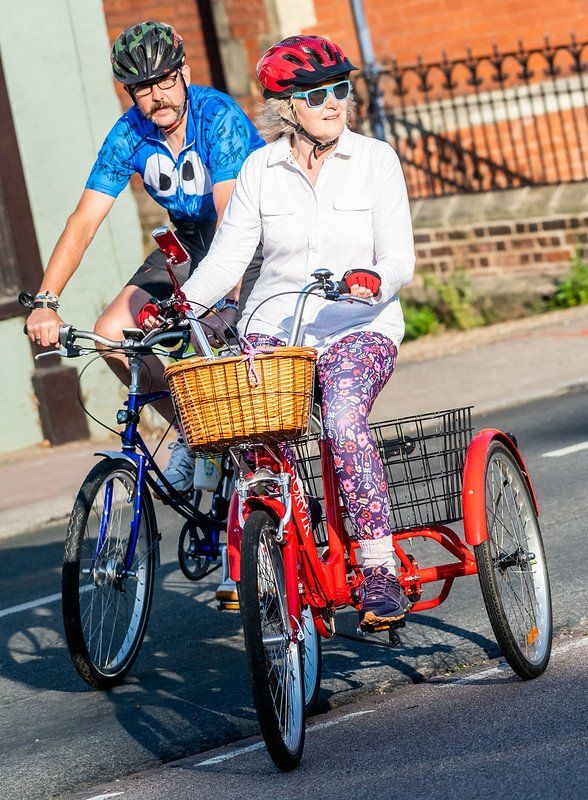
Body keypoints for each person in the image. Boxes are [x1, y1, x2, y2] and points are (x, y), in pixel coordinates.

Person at [179, 35, 416, 631]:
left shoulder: (375, 160)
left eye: (340, 88)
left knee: (341, 421)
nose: (335, 102)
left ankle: (378, 568)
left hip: (357, 326)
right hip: (276, 329)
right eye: (317, 94)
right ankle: (279, 549)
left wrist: (372, 279)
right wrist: (183, 304)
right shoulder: (261, 169)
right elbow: (230, 259)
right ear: (287, 108)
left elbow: (400, 259)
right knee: (252, 437)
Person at [24, 20, 265, 495]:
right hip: (189, 242)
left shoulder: (217, 116)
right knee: (111, 335)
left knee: (227, 344)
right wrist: (46, 300)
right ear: (130, 94)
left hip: (246, 242)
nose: (157, 96)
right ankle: (196, 436)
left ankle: (256, 476)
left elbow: (231, 219)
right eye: (142, 88)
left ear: (185, 72)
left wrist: (227, 305)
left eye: (165, 80)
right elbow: (85, 219)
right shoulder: (129, 133)